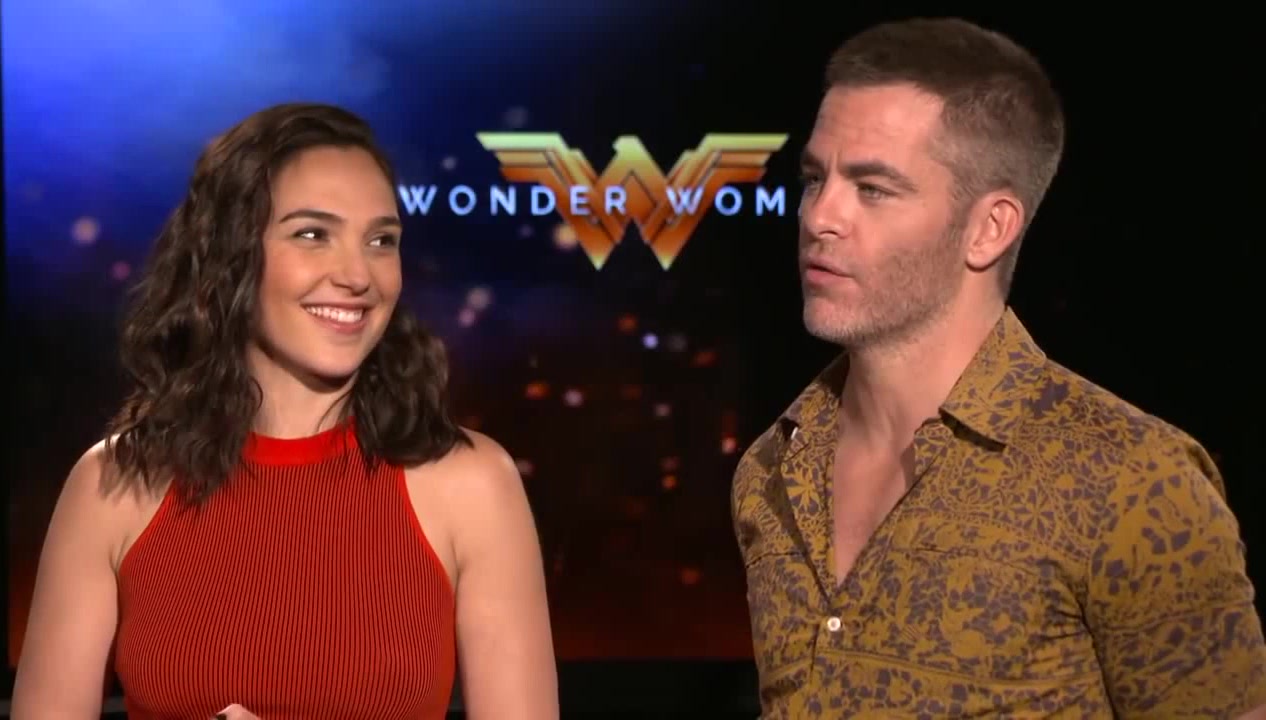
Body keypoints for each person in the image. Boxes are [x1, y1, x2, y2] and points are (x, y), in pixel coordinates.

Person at [731, 17, 1266, 719]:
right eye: (813, 178)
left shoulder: (1132, 482)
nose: (819, 216)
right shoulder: (771, 471)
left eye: (873, 188)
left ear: (989, 229)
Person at [12, 103, 558, 719]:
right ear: (231, 254)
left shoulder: (474, 484)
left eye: (381, 240)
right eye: (312, 234)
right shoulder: (112, 484)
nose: (358, 275)